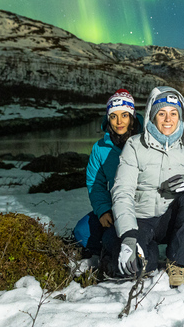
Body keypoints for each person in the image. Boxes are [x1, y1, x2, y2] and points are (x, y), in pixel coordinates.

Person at [111, 86, 184, 288]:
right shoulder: (135, 145)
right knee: (135, 268)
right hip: (142, 220)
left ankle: (177, 262)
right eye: (161, 113)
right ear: (152, 116)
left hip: (172, 220)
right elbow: (122, 191)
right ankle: (148, 254)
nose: (168, 119)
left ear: (181, 117)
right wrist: (128, 236)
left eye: (173, 113)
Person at [73, 89, 141, 271]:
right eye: (114, 116)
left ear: (132, 116)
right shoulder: (100, 148)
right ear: (108, 119)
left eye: (125, 115)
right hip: (113, 206)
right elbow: (95, 184)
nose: (119, 122)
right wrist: (103, 210)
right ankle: (103, 249)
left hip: (142, 206)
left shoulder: (145, 140)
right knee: (81, 232)